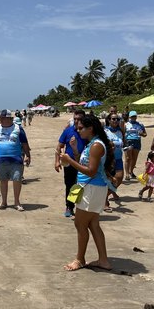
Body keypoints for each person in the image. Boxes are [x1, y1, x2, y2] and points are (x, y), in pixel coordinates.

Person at [58, 114, 114, 271]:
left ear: (91, 128)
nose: (78, 130)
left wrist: (70, 161)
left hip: (92, 188)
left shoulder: (96, 146)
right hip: (90, 187)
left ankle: (80, 259)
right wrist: (74, 151)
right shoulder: (92, 144)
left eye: (81, 128)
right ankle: (103, 260)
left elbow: (91, 171)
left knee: (80, 224)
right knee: (93, 224)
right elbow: (86, 162)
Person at [0, 109, 31, 211]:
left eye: (2, 118)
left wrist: (27, 155)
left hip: (16, 160)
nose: (0, 119)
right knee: (3, 181)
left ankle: (17, 202)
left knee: (17, 180)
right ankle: (4, 202)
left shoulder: (18, 129)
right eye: (0, 118)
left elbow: (25, 144)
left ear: (9, 119)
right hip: (1, 160)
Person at [55, 110, 86, 217]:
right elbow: (59, 146)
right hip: (69, 163)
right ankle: (69, 206)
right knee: (70, 185)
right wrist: (57, 162)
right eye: (75, 119)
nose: (77, 121)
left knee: (83, 185)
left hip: (84, 164)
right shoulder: (68, 131)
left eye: (79, 119)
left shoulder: (86, 132)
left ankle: (82, 208)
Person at [104, 113, 125, 209]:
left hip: (118, 158)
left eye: (117, 119)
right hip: (108, 159)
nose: (116, 121)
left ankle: (108, 194)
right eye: (113, 119)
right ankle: (105, 200)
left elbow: (123, 143)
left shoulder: (120, 131)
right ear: (108, 120)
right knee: (108, 180)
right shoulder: (105, 131)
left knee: (119, 178)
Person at [124, 111, 147, 180]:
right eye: (132, 117)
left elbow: (145, 134)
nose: (133, 118)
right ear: (129, 117)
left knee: (134, 158)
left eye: (134, 116)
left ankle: (131, 172)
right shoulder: (126, 125)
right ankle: (127, 173)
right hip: (128, 141)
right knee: (128, 158)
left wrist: (141, 134)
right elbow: (122, 133)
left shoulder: (140, 124)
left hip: (137, 141)